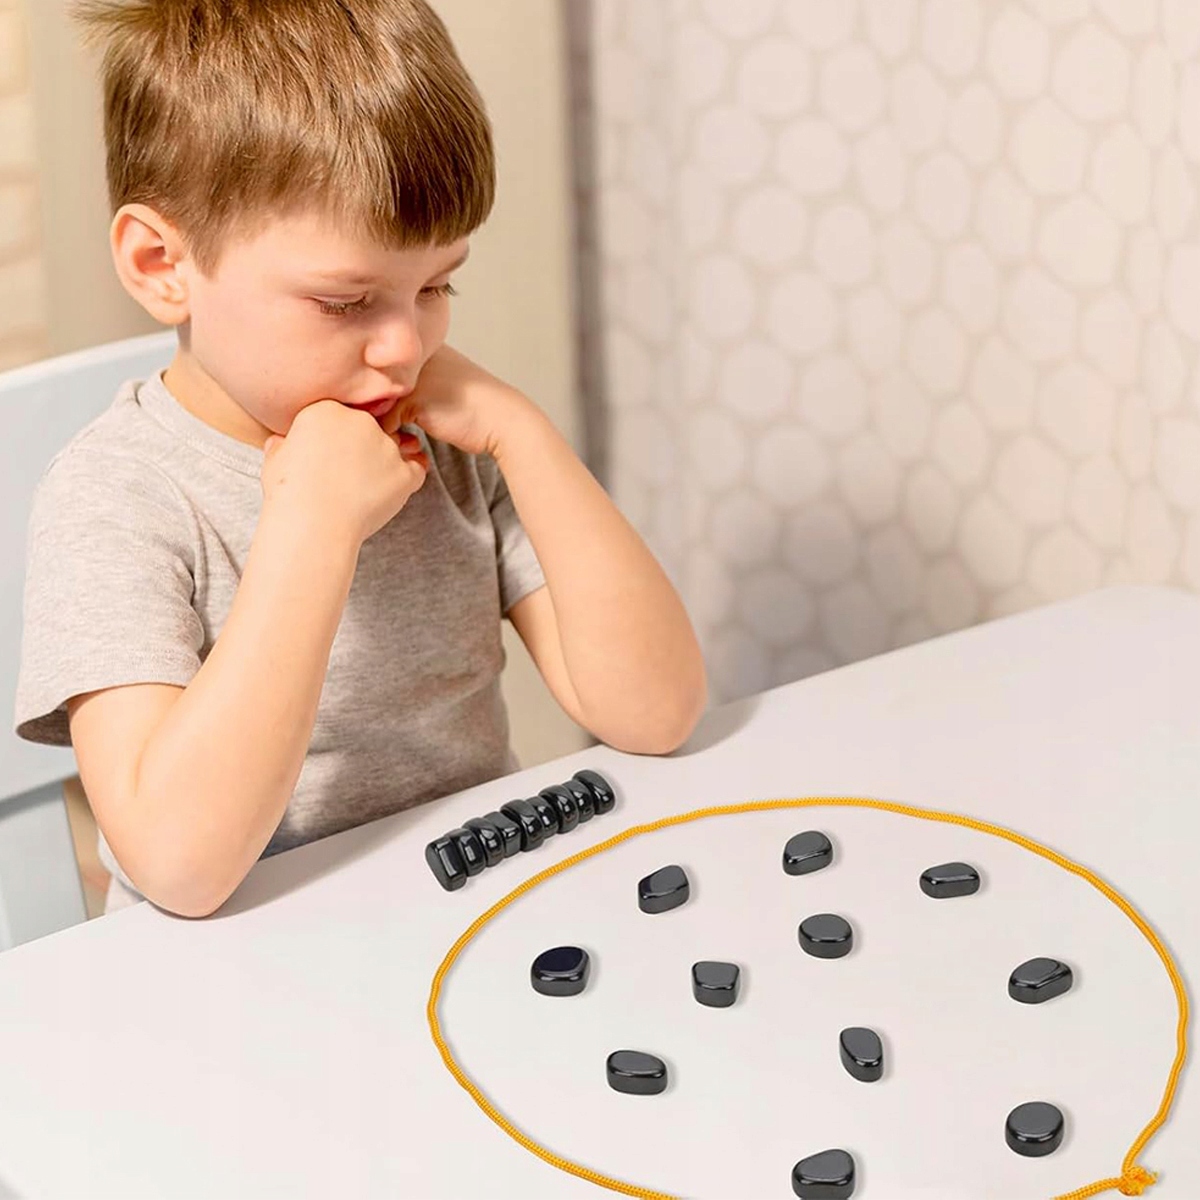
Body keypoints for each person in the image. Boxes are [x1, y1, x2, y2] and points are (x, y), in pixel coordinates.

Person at [13, 0, 706, 919]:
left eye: (437, 285)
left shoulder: (441, 446)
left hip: (468, 921)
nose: (405, 347)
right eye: (345, 303)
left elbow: (655, 712)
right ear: (160, 264)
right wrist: (313, 529)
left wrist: (524, 434)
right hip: (236, 965)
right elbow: (179, 866)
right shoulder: (116, 499)